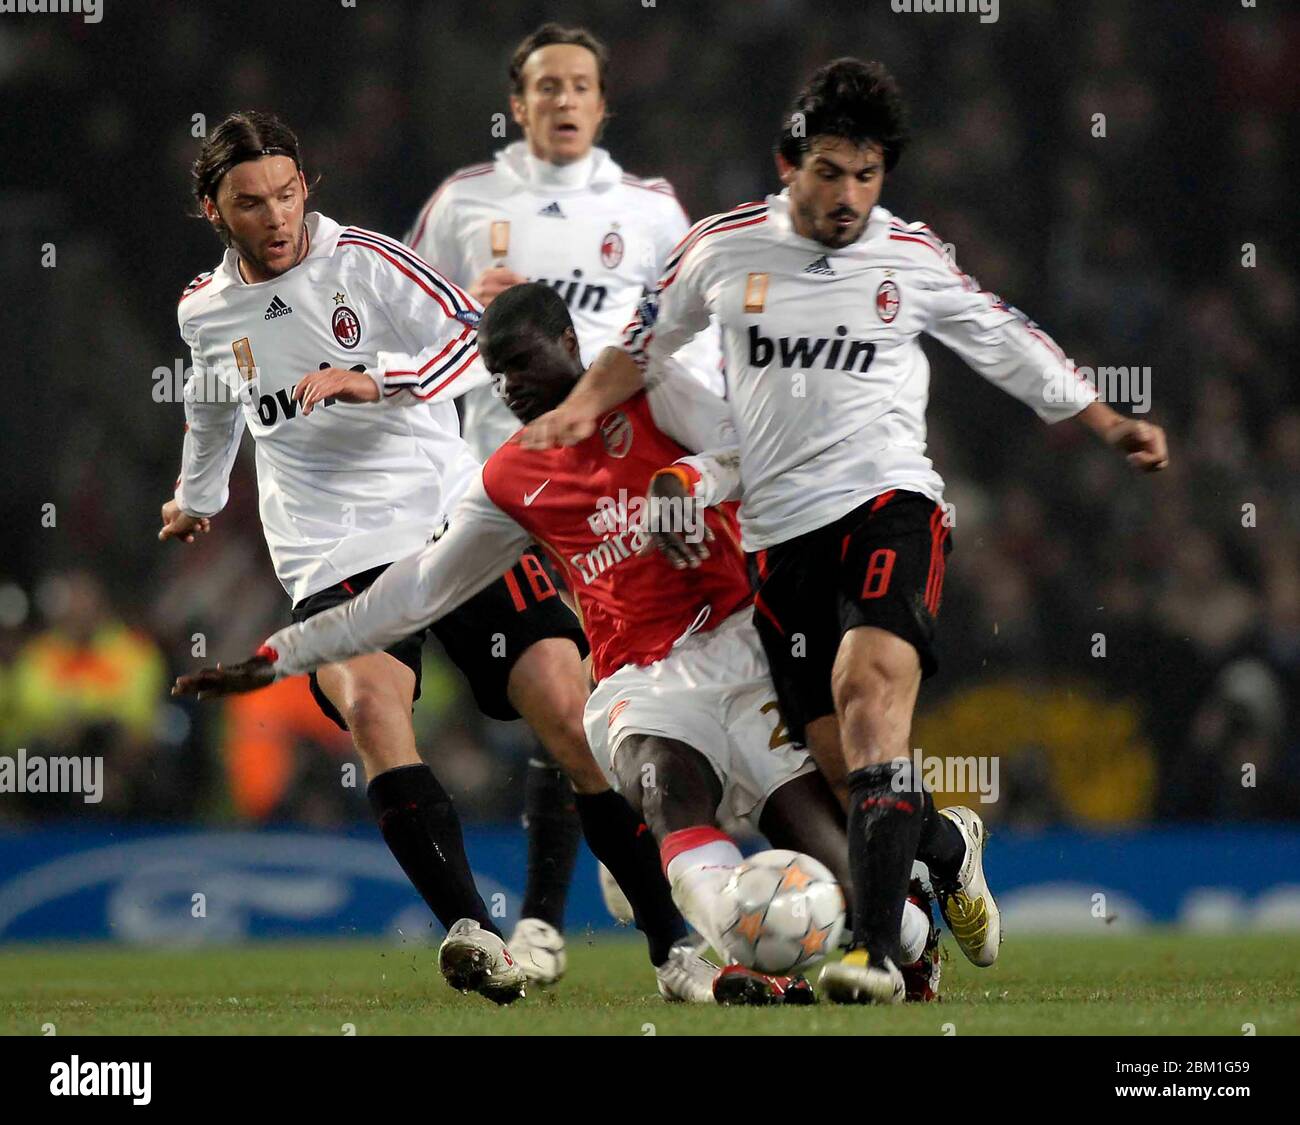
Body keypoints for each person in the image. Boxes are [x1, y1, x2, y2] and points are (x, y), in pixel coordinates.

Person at [517, 58, 1170, 1003]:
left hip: (888, 506)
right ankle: (945, 841)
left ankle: (874, 951)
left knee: (869, 697)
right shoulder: (719, 252)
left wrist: (1107, 420)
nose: (848, 196)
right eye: (830, 170)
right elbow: (641, 345)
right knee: (838, 764)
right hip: (779, 543)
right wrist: (582, 409)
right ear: (790, 162)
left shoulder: (910, 257)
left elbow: (1004, 336)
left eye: (867, 176)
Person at [173, 282, 949, 1005]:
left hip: (743, 652)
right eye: (494, 373)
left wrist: (687, 482)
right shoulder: (506, 477)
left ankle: (919, 908)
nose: (507, 386)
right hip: (638, 681)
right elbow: (411, 592)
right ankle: (721, 954)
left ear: (570, 344)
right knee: (656, 779)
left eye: (519, 364)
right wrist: (279, 655)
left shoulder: (652, 386)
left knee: (857, 892)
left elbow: (758, 454)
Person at [160, 111, 707, 1004]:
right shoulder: (204, 310)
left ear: (307, 187)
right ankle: (472, 932)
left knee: (569, 715)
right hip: (330, 553)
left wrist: (376, 379)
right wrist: (200, 498)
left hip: (453, 518)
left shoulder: (366, 263)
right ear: (214, 209)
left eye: (288, 193)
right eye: (250, 202)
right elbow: (213, 405)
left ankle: (671, 943)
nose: (275, 216)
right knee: (376, 711)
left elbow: (473, 336)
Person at [407, 22, 723, 960]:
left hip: (626, 490)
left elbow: (690, 335)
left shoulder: (653, 208)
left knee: (607, 697)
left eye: (580, 84)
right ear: (516, 103)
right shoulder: (465, 203)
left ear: (604, 99)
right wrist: (470, 315)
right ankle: (566, 913)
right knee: (567, 693)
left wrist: (698, 463)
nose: (564, 100)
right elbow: (405, 339)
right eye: (545, 86)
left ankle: (621, 886)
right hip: (512, 494)